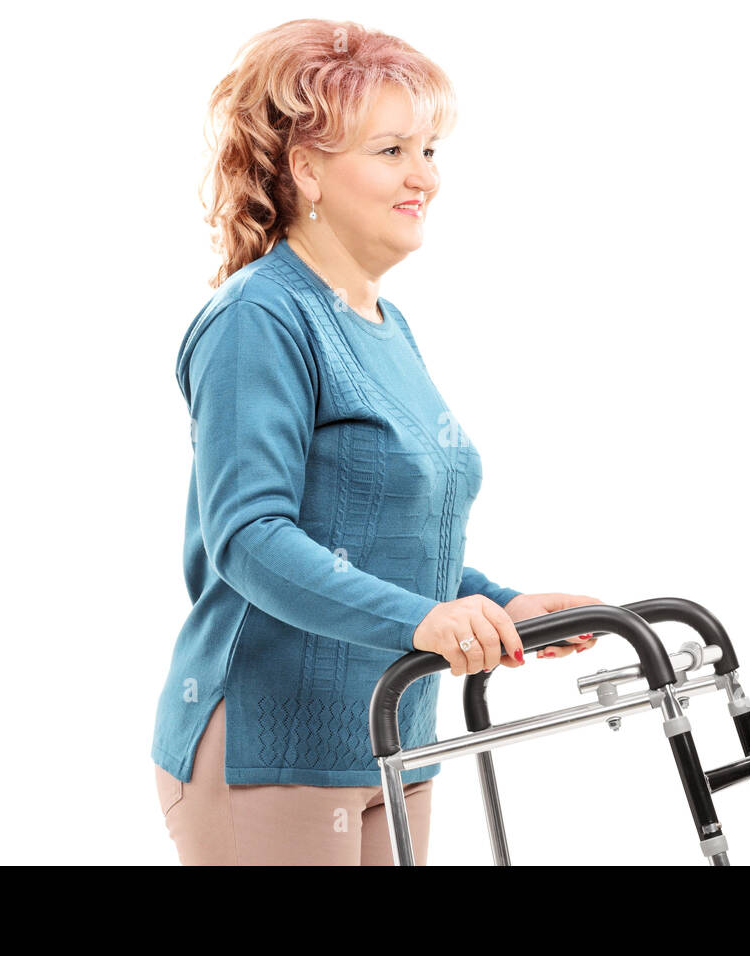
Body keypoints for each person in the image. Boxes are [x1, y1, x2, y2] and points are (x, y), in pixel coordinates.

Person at [151, 18, 604, 865]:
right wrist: (429, 620)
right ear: (307, 168)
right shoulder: (259, 318)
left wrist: (494, 603)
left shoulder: (386, 325)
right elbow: (248, 538)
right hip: (270, 748)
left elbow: (372, 538)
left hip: (394, 730)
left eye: (430, 151)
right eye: (392, 150)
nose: (423, 178)